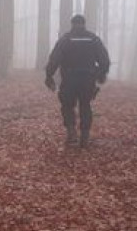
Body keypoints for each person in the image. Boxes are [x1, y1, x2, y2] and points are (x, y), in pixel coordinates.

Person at [45, 14, 110, 147]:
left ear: (72, 24)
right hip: (88, 79)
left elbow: (55, 59)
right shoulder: (93, 39)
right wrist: (101, 74)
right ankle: (85, 137)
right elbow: (104, 60)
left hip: (69, 78)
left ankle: (71, 132)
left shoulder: (66, 39)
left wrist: (49, 75)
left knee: (67, 105)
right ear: (84, 24)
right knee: (85, 105)